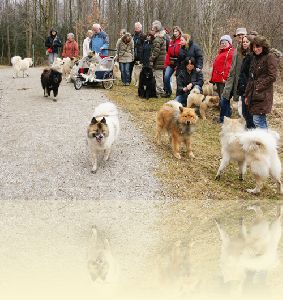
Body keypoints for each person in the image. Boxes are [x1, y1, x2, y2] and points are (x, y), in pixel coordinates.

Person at [244, 35, 278, 129]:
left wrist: (258, 86)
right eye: (254, 47)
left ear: (263, 46)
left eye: (258, 46)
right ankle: (264, 142)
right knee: (258, 120)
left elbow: (272, 76)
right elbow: (251, 78)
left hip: (263, 94)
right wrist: (247, 95)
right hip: (253, 94)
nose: (255, 49)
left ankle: (265, 142)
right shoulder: (255, 58)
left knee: (258, 120)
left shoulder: (269, 57)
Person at [219, 28, 247, 123]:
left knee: (242, 104)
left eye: (242, 35)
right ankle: (224, 119)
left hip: (241, 81)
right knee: (224, 98)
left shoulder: (247, 48)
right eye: (238, 35)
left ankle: (245, 124)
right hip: (231, 79)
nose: (240, 36)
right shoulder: (237, 48)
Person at [237, 34, 257, 128]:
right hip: (244, 88)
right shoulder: (246, 55)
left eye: (247, 42)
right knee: (245, 113)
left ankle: (251, 134)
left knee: (249, 114)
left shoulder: (252, 56)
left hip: (248, 89)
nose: (244, 43)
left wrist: (247, 89)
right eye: (243, 42)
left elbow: (251, 75)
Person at [210, 35, 234, 108]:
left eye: (225, 42)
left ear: (229, 43)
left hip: (223, 79)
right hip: (218, 78)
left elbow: (229, 67)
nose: (223, 44)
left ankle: (225, 113)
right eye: (221, 42)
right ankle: (221, 108)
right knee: (220, 95)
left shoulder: (230, 52)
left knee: (224, 96)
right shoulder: (221, 52)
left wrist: (225, 78)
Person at [149, 20, 167, 97]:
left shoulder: (158, 39)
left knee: (158, 76)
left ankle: (160, 92)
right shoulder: (161, 37)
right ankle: (159, 91)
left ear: (156, 29)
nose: (152, 29)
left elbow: (156, 51)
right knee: (158, 76)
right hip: (160, 60)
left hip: (158, 61)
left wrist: (151, 59)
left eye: (153, 28)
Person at [163, 26, 182, 97]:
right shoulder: (171, 41)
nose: (175, 33)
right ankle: (168, 92)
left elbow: (182, 53)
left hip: (179, 62)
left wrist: (179, 64)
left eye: (176, 31)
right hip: (171, 62)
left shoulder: (181, 41)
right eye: (174, 31)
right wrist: (166, 63)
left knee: (178, 79)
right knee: (166, 77)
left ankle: (178, 94)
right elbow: (168, 53)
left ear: (179, 32)